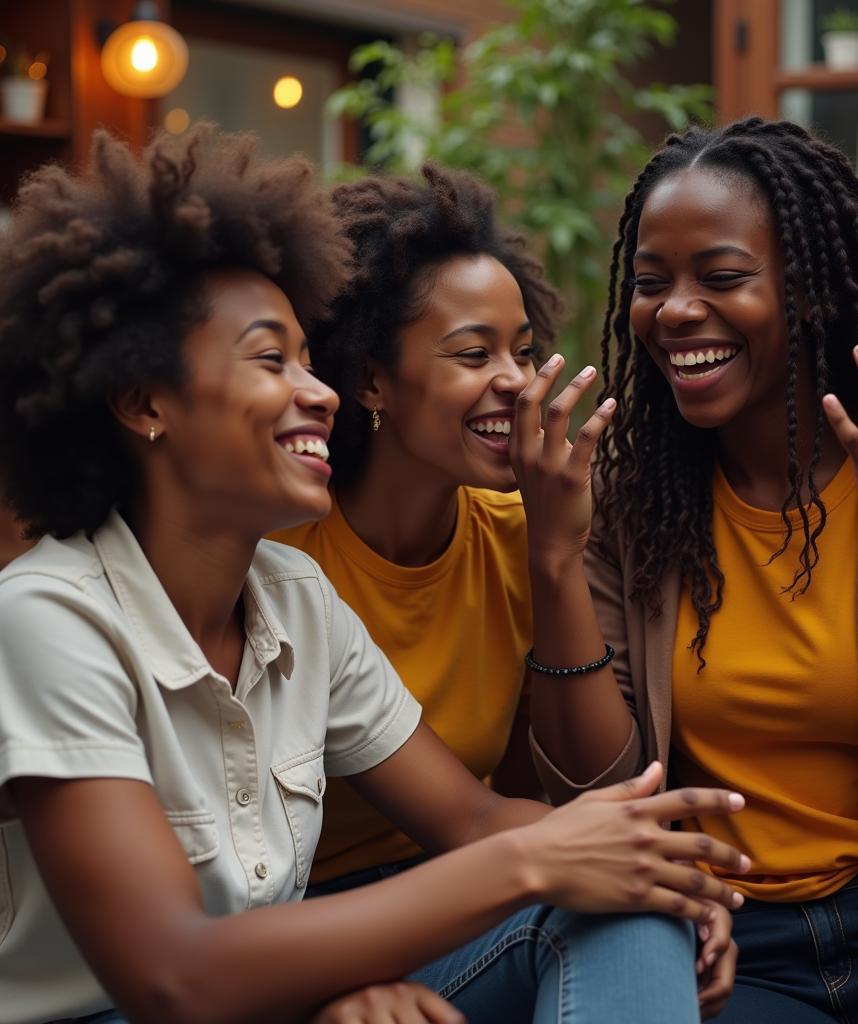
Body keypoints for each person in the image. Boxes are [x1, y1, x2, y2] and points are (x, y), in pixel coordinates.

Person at [0, 124, 750, 1024]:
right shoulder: (49, 619)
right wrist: (535, 862)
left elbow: (470, 822)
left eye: (309, 362)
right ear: (143, 402)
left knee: (629, 909)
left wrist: (651, 861)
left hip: (277, 985)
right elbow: (174, 975)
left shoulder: (293, 602)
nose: (315, 392)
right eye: (271, 360)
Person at [513, 117, 858, 1023]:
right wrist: (553, 565)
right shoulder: (633, 490)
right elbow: (598, 797)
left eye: (722, 278)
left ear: (812, 291)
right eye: (650, 284)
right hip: (731, 943)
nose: (673, 311)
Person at [271, 161, 738, 1018]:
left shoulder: (525, 532)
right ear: (370, 378)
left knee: (636, 907)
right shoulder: (276, 555)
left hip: (456, 904)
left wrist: (656, 862)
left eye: (524, 351)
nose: (518, 382)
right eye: (473, 353)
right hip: (291, 934)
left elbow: (502, 813)